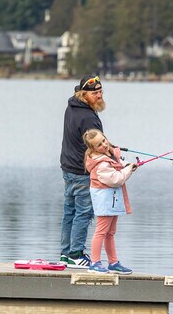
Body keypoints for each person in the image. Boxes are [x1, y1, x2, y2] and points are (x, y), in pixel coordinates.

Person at [59, 74, 105, 268]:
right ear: (84, 94)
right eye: (95, 93)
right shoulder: (88, 117)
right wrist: (113, 156)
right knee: (83, 213)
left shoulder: (72, 107)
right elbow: (96, 145)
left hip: (68, 167)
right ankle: (76, 254)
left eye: (101, 92)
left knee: (69, 212)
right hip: (81, 171)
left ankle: (66, 254)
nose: (100, 96)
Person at [82, 128, 137, 274]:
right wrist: (129, 170)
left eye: (104, 140)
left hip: (112, 199)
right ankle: (94, 263)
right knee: (101, 231)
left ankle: (113, 262)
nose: (104, 145)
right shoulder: (101, 164)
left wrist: (128, 166)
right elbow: (116, 179)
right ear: (93, 149)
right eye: (99, 145)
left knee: (110, 232)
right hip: (105, 200)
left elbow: (118, 165)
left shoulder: (108, 155)